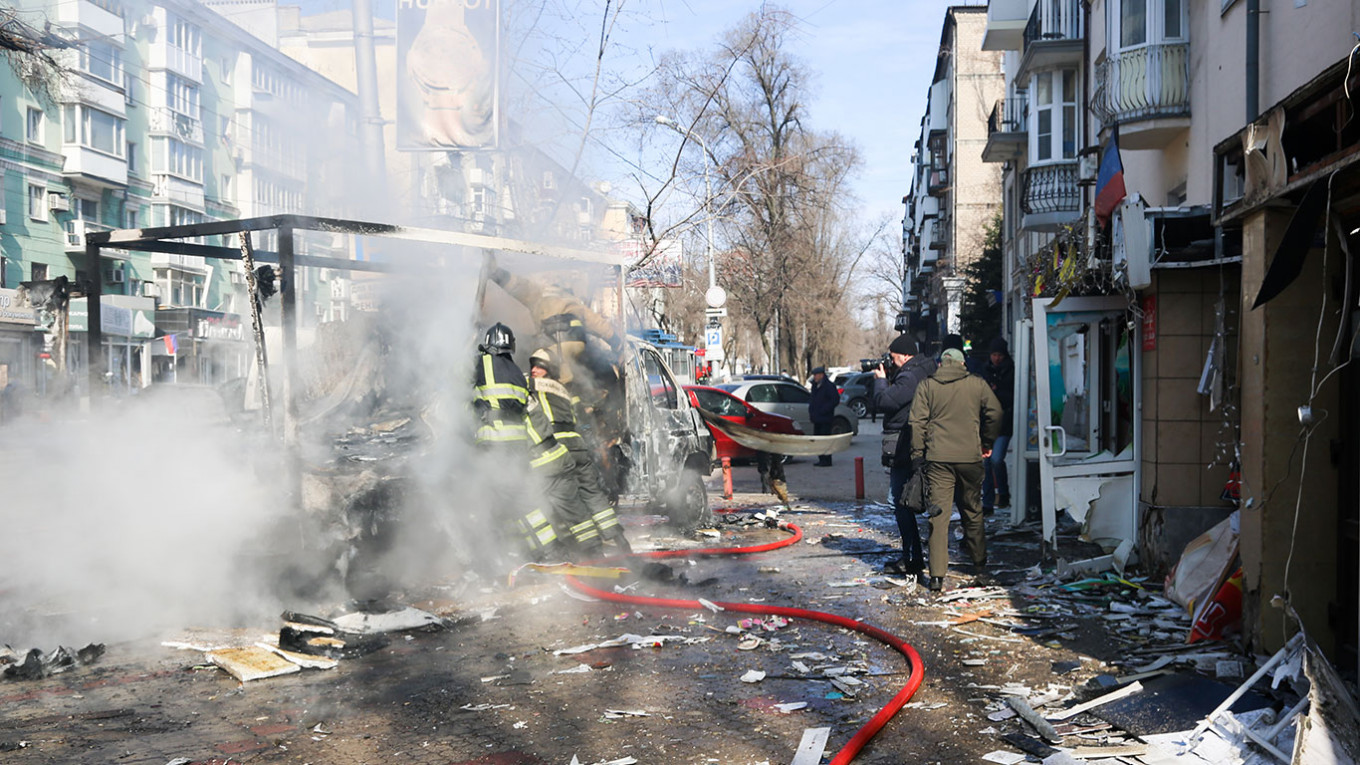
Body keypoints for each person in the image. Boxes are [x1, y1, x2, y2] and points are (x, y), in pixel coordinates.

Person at [909, 348, 1003, 592]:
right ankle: (980, 565)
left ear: (941, 364)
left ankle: (937, 577)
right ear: (963, 364)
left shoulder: (927, 386)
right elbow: (995, 412)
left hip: (938, 458)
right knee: (972, 510)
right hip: (970, 457)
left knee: (938, 517)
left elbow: (916, 422)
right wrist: (987, 442)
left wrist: (918, 454)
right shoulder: (977, 384)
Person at [529, 348, 632, 554]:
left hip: (558, 447)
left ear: (549, 369)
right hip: (577, 446)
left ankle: (584, 549)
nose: (534, 370)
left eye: (540, 366)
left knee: (563, 498)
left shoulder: (533, 386)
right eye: (533, 365)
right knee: (592, 494)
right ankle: (619, 540)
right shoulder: (563, 390)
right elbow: (579, 420)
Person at [472, 323, 561, 561]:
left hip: (494, 444)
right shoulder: (517, 374)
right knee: (513, 499)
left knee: (507, 500)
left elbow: (456, 385)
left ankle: (546, 550)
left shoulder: (481, 364)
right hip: (516, 447)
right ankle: (533, 548)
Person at [872, 334, 936, 578]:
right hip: (916, 442)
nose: (890, 359)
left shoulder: (910, 376)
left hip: (905, 443)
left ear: (906, 355)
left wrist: (880, 382)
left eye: (893, 355)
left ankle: (912, 557)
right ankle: (915, 555)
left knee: (899, 500)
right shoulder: (923, 370)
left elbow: (886, 402)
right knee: (909, 499)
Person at [982, 337, 1015, 514]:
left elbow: (1013, 395)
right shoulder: (985, 370)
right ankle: (988, 503)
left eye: (999, 355)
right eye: (994, 354)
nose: (996, 358)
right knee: (986, 462)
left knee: (995, 459)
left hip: (1004, 423)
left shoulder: (1010, 370)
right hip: (988, 423)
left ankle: (1003, 493)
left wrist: (997, 391)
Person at [808, 367, 839, 466]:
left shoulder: (829, 386)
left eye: (816, 375)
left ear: (821, 375)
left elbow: (835, 400)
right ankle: (821, 459)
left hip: (825, 418)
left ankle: (827, 460)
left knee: (825, 439)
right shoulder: (815, 386)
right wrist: (812, 411)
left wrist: (824, 410)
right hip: (817, 418)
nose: (814, 377)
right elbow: (812, 400)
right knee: (818, 440)